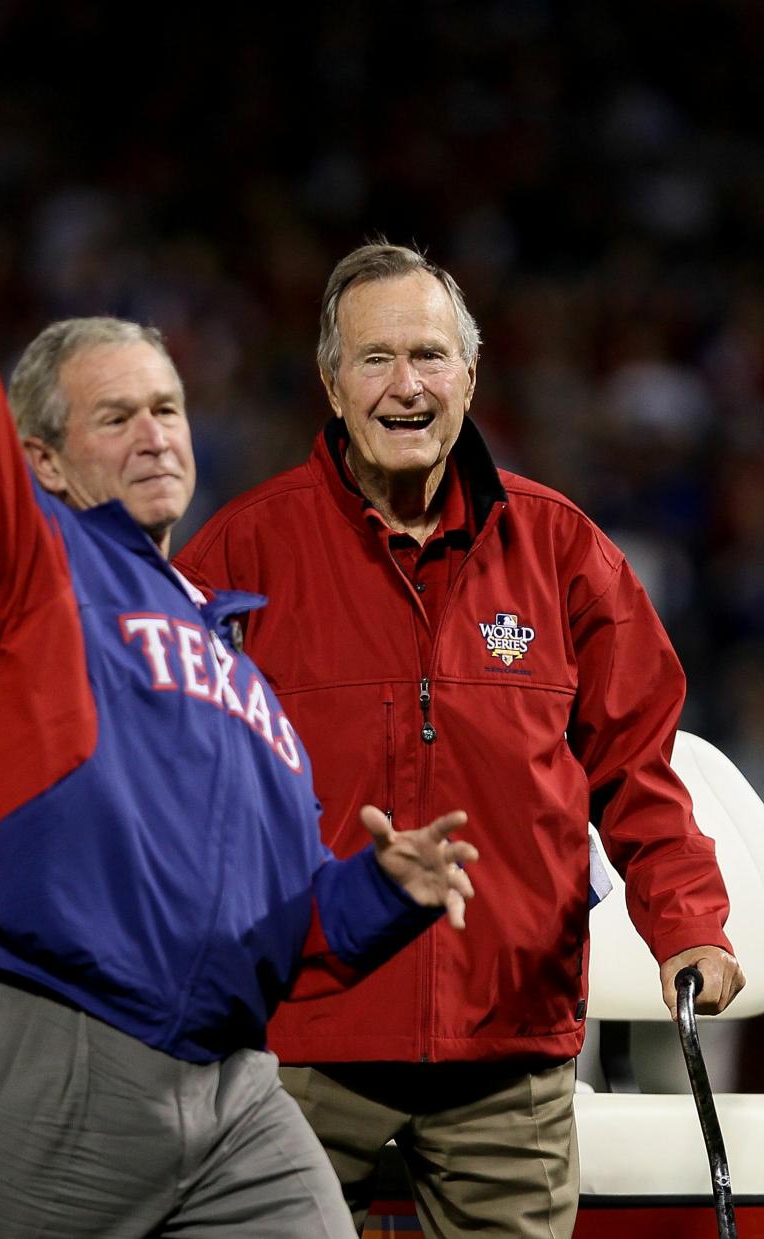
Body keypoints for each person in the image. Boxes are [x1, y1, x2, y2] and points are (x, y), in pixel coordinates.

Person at [0, 76, 480, 1239]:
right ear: (42, 459)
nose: (156, 434)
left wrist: (379, 894)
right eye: (118, 416)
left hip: (234, 1088)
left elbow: (281, 932)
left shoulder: (236, 659)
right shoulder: (27, 568)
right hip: (55, 1047)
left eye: (171, 408)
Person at [174, 241, 747, 1236]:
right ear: (331, 382)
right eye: (376, 359)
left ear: (471, 376)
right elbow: (173, 790)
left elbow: (638, 769)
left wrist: (688, 921)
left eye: (431, 357)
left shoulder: (564, 550)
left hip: (507, 1054)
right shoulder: (240, 557)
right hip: (301, 1042)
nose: (407, 387)